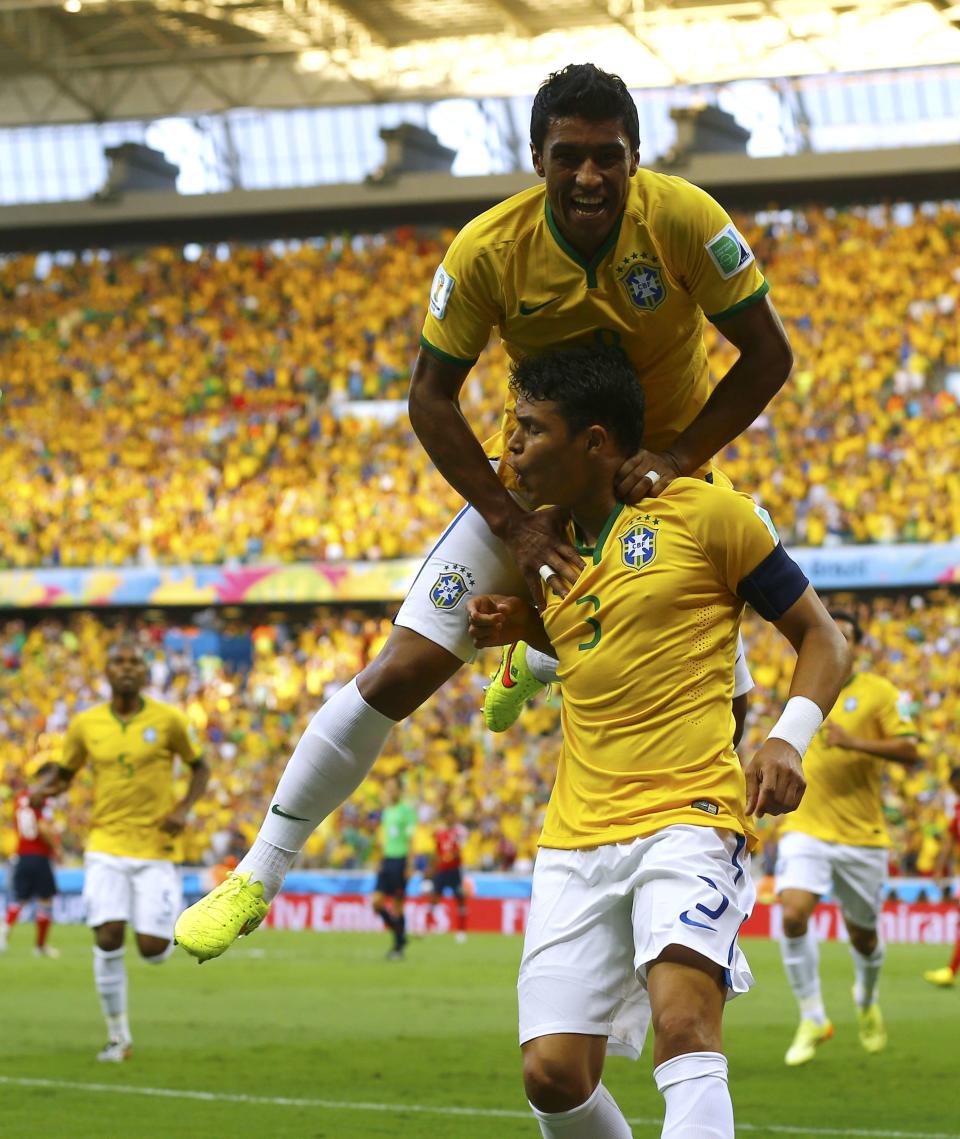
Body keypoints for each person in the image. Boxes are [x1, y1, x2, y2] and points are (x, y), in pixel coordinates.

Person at [174, 62, 794, 963]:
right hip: (537, 495)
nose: (590, 176)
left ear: (636, 157)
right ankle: (259, 871)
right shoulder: (486, 250)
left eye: (608, 157)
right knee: (397, 674)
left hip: (654, 493)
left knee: (725, 711)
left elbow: (768, 356)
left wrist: (676, 457)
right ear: (535, 156)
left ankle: (563, 699)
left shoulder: (689, 222)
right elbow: (430, 398)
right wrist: (512, 520)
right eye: (569, 156)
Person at [463, 345, 848, 1139]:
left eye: (530, 431)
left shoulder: (709, 515)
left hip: (689, 816)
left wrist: (788, 738)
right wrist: (525, 625)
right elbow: (605, 640)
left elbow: (824, 637)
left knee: (685, 1024)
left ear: (596, 442)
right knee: (552, 1075)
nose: (511, 451)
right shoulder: (543, 557)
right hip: (576, 834)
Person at [32, 639, 209, 1061]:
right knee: (108, 935)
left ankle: (177, 925)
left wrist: (183, 808)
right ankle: (118, 1038)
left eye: (134, 662)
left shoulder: (169, 720)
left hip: (155, 847)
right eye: (118, 662)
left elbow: (200, 766)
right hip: (105, 844)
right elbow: (66, 772)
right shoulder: (85, 725)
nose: (127, 668)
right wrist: (44, 790)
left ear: (145, 674)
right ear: (107, 672)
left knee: (152, 951)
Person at [774, 611, 920, 1066]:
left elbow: (911, 750)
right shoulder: (802, 688)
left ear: (855, 645)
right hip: (807, 827)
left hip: (862, 835)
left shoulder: (881, 693)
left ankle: (866, 998)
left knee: (863, 938)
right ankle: (813, 1015)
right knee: (793, 914)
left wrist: (854, 742)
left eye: (844, 636)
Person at [0, 761, 62, 959]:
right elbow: (43, 827)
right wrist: (56, 847)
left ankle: (3, 937)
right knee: (45, 899)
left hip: (22, 854)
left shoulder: (20, 798)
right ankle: (40, 946)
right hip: (39, 855)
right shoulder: (42, 798)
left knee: (19, 898)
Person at [371, 776, 417, 961]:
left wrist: (410, 865)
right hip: (387, 861)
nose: (390, 792)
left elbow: (412, 840)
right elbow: (385, 839)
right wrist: (379, 860)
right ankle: (401, 936)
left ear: (399, 790)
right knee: (376, 903)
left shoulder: (406, 811)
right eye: (387, 788)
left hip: (400, 861)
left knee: (398, 906)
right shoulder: (387, 812)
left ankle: (398, 946)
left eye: (393, 788)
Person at [923, 765, 960, 988]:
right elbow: (949, 839)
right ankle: (950, 970)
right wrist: (939, 868)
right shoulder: (957, 808)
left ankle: (951, 970)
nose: (954, 791)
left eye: (955, 786)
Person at [423, 801, 469, 943]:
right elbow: (436, 852)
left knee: (460, 899)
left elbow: (459, 851)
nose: (449, 818)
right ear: (445, 817)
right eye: (447, 815)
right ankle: (428, 929)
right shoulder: (439, 834)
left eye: (451, 815)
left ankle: (461, 931)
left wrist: (451, 855)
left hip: (454, 870)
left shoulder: (459, 832)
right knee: (435, 898)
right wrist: (431, 867)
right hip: (441, 870)